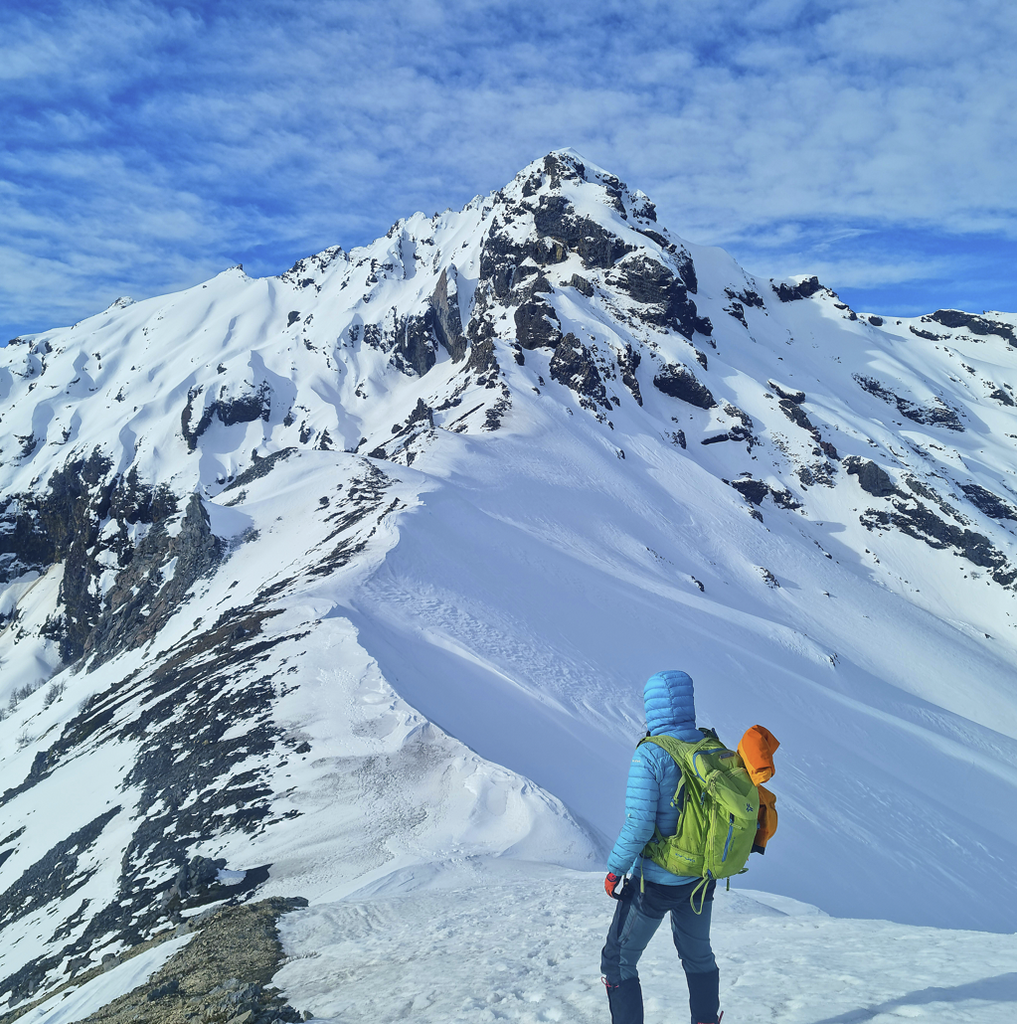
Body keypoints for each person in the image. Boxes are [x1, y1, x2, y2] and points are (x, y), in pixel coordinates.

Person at [601, 669, 721, 1024]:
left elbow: (639, 824)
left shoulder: (651, 755)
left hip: (657, 883)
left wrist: (615, 869)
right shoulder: (710, 745)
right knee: (699, 957)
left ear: (652, 707)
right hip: (701, 880)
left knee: (618, 962)